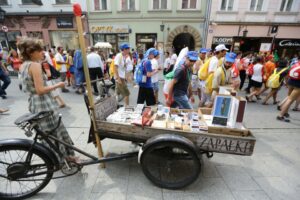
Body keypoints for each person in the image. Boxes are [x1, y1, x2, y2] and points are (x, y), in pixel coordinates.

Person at [17, 37, 77, 162]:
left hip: (34, 103)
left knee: (47, 134)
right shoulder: (35, 65)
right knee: (56, 131)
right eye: (39, 50)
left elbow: (27, 88)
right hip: (44, 103)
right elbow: (40, 90)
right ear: (31, 52)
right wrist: (58, 85)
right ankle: (66, 158)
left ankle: (55, 158)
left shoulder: (23, 66)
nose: (43, 52)